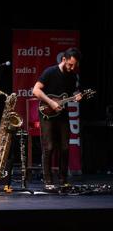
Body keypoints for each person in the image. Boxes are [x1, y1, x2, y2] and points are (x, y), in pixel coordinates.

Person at [32, 47, 82, 190]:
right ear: (64, 59)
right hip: (47, 112)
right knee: (49, 147)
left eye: (75, 65)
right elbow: (35, 90)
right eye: (70, 64)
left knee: (65, 147)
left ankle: (63, 179)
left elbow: (70, 94)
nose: (72, 68)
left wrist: (77, 96)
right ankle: (48, 180)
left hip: (62, 114)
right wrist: (51, 102)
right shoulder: (50, 72)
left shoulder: (72, 76)